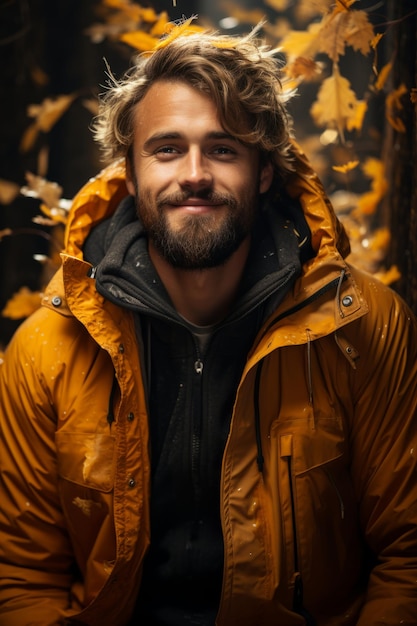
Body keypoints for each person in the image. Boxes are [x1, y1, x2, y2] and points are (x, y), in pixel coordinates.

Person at [1, 20, 417, 626]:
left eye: (223, 149)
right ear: (130, 172)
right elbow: (22, 576)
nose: (194, 173)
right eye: (167, 149)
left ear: (264, 171)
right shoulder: (49, 347)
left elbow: (407, 559)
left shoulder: (364, 327)